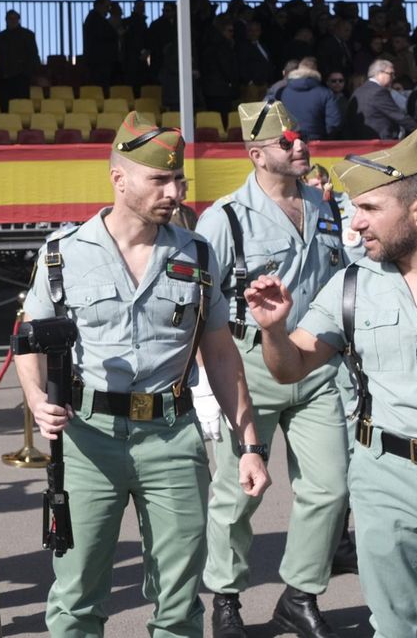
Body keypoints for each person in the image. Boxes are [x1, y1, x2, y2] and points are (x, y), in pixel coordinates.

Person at [20, 112, 269, 638]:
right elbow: (29, 338)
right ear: (119, 179)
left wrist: (249, 444)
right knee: (77, 597)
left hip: (172, 437)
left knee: (179, 601)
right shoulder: (63, 254)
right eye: (160, 179)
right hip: (88, 440)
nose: (174, 192)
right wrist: (36, 397)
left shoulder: (197, 254)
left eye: (179, 180)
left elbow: (221, 355)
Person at [248, 131, 417, 638]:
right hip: (385, 480)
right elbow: (291, 367)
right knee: (397, 628)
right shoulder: (352, 285)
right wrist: (273, 330)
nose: (355, 223)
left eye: (370, 208)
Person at [192, 102, 350, 638]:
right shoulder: (225, 217)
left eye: (299, 138)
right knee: (238, 493)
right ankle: (227, 599)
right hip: (248, 362)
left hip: (317, 363)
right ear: (257, 154)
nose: (299, 146)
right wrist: (205, 388)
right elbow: (201, 305)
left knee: (330, 487)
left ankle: (301, 593)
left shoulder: (326, 206)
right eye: (286, 142)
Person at [347, 60, 417, 141]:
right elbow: (398, 116)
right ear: (379, 73)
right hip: (379, 143)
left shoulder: (358, 91)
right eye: (391, 74)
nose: (394, 77)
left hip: (360, 143)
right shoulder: (378, 91)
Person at [0, 10, 40, 107]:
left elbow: (33, 55)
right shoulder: (1, 37)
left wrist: (29, 72)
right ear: (6, 20)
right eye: (10, 19)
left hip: (22, 76)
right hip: (5, 77)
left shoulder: (28, 35)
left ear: (19, 20)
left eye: (15, 19)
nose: (12, 21)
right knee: (5, 106)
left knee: (22, 105)